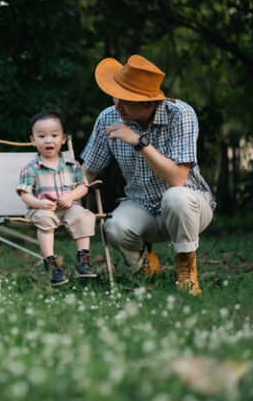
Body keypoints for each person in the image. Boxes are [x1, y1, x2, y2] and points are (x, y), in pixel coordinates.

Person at [80, 54, 214, 295]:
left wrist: (139, 142)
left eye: (126, 102)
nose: (117, 107)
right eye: (115, 97)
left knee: (176, 197)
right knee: (113, 226)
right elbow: (89, 169)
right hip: (141, 205)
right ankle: (146, 265)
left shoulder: (180, 114)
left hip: (189, 207)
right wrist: (68, 199)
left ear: (148, 103)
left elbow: (177, 179)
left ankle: (186, 268)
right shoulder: (108, 117)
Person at [16, 111, 97, 287]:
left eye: (54, 135)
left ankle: (84, 258)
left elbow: (83, 186)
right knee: (45, 219)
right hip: (43, 209)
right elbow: (24, 193)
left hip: (69, 207)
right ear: (33, 140)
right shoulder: (30, 169)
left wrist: (71, 195)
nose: (48, 140)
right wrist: (39, 203)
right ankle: (51, 263)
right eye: (42, 136)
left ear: (63, 139)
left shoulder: (72, 165)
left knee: (82, 215)